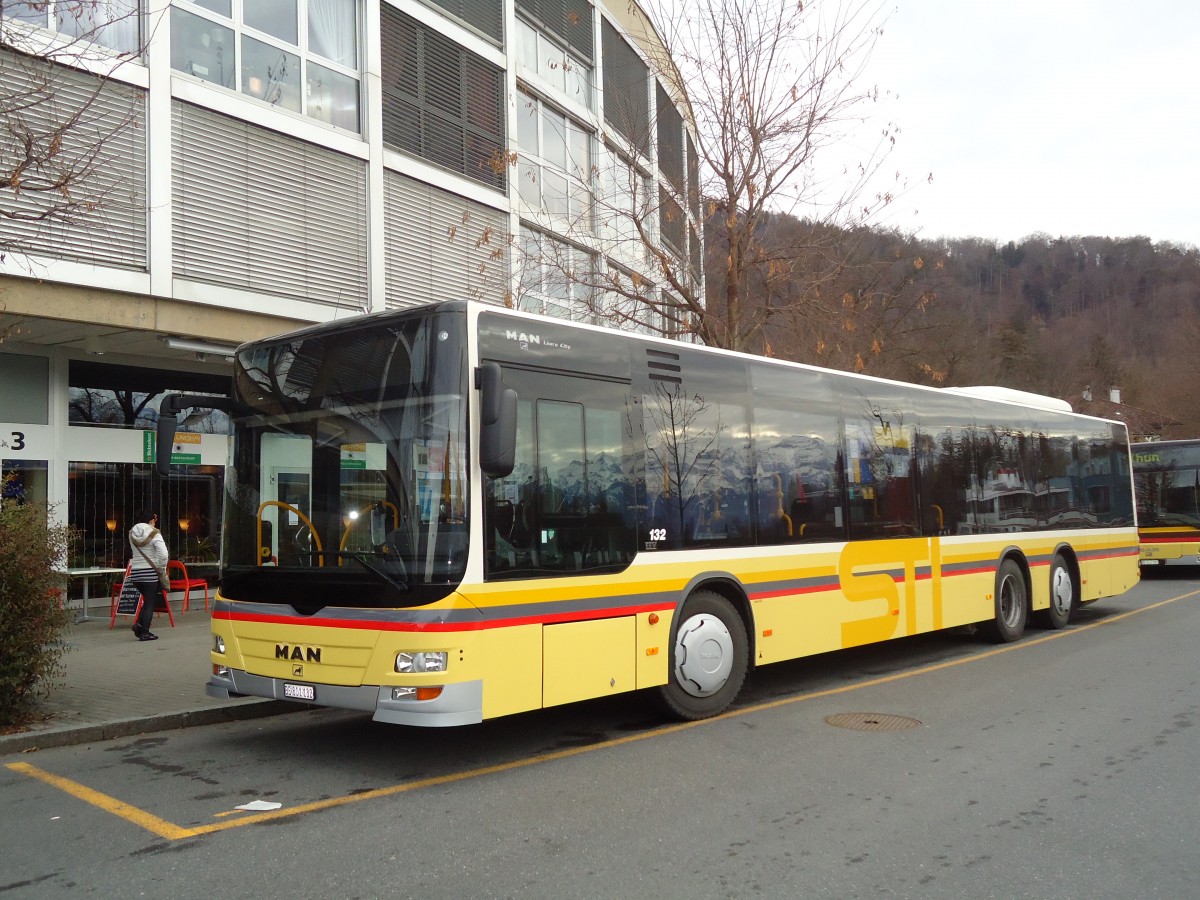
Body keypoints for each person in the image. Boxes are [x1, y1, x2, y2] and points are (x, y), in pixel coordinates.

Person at [128, 509, 169, 642]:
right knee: (150, 603)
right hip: (150, 572)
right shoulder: (155, 533)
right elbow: (163, 554)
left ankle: (139, 626)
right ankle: (144, 632)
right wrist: (161, 568)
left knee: (147, 601)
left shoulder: (131, 534)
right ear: (152, 520)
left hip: (135, 572)